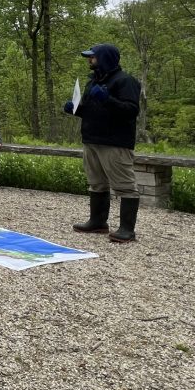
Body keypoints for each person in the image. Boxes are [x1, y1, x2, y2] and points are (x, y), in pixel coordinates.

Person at [64, 44, 142, 243]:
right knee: (97, 183)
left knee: (125, 185)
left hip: (115, 142)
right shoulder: (93, 82)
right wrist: (75, 109)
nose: (89, 60)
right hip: (92, 139)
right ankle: (98, 222)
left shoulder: (126, 81)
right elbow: (91, 110)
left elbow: (131, 111)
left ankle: (126, 229)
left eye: (93, 57)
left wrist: (107, 99)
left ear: (104, 58)